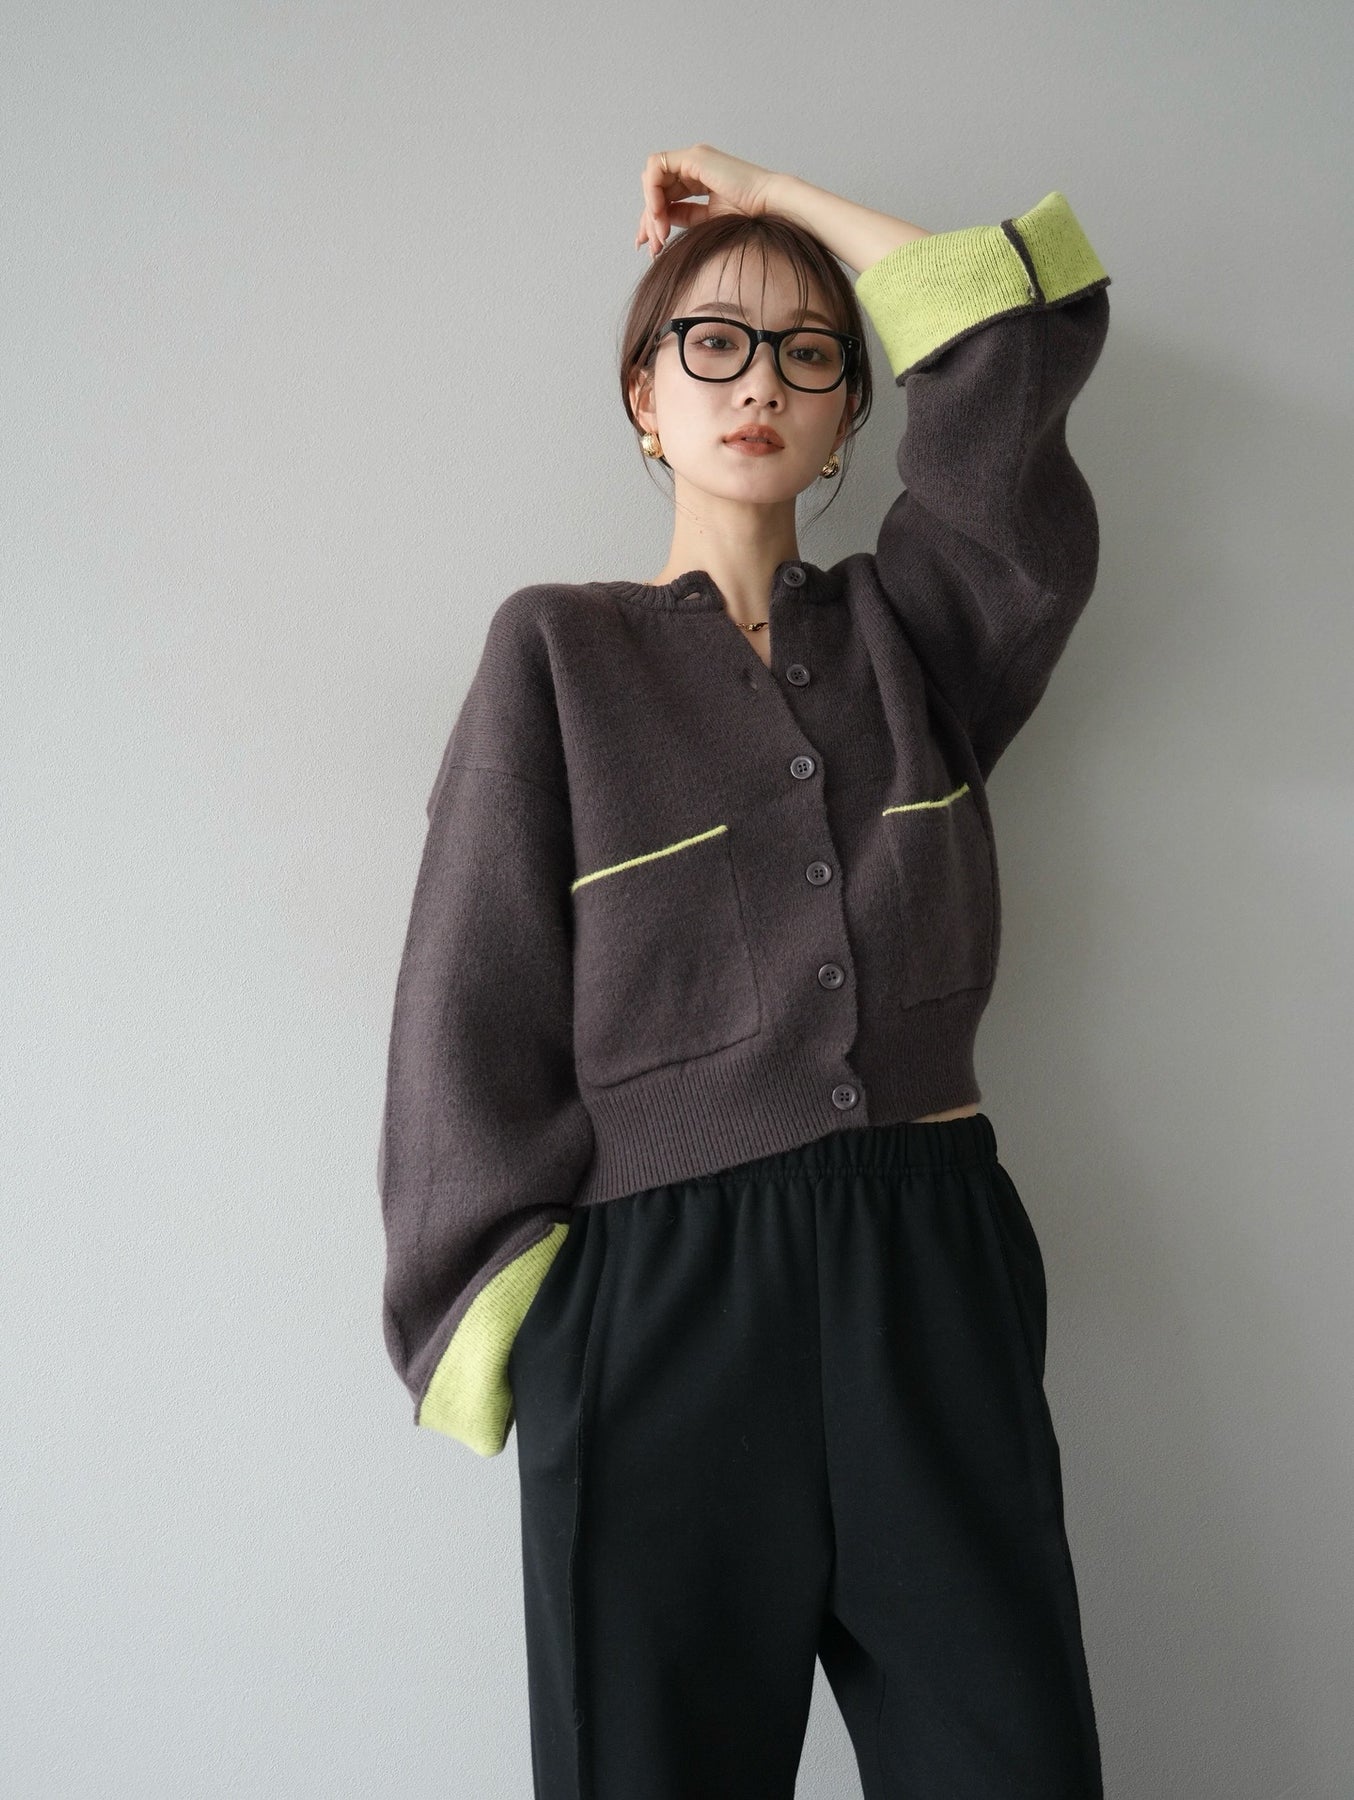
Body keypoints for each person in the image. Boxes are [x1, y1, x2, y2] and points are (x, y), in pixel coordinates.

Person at [378, 143, 1113, 1798]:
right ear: (642, 398)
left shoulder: (921, 635)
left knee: (1009, 1763)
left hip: (929, 1268)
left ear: (851, 417)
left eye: (806, 352)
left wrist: (767, 188)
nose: (757, 381)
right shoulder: (557, 650)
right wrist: (518, 1309)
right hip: (657, 1301)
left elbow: (1011, 346)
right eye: (710, 342)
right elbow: (466, 991)